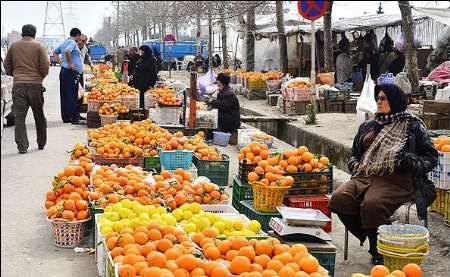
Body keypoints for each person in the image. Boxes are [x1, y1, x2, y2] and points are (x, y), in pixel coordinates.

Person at [328, 84, 438, 265]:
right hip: (364, 175)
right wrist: (355, 165)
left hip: (396, 179)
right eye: (377, 98)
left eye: (383, 98)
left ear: (394, 101)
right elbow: (354, 154)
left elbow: (431, 157)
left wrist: (410, 162)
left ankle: (376, 248)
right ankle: (380, 233)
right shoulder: (369, 125)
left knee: (371, 205)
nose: (379, 101)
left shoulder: (412, 125)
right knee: (338, 200)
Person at [4, 24, 49, 153]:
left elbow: (7, 65)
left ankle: (22, 147)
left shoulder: (14, 46)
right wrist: (39, 78)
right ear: (34, 34)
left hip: (18, 86)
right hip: (35, 86)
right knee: (39, 115)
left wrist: (15, 75)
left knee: (19, 118)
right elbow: (45, 66)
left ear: (22, 33)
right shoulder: (39, 46)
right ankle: (41, 143)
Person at [206, 73, 240, 145]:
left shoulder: (229, 94)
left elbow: (223, 106)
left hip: (230, 119)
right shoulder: (223, 91)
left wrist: (212, 102)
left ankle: (211, 137)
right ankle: (210, 136)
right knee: (210, 115)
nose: (216, 81)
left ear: (220, 82)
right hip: (226, 115)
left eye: (217, 80)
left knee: (210, 117)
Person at [77, 34, 93, 119]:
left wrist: (91, 65)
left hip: (80, 73)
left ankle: (77, 113)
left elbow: (87, 57)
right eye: (80, 40)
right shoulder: (73, 47)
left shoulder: (85, 48)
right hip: (72, 73)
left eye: (83, 41)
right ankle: (73, 114)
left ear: (85, 42)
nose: (81, 42)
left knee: (81, 93)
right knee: (74, 94)